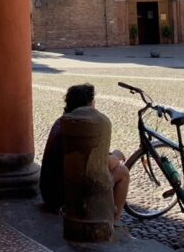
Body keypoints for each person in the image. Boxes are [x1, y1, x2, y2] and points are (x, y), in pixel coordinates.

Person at [39, 83, 131, 222]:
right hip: (64, 197)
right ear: (88, 105)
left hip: (49, 192)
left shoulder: (62, 121)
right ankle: (115, 221)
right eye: (93, 101)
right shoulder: (82, 125)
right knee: (123, 172)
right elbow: (103, 164)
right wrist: (116, 156)